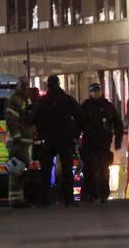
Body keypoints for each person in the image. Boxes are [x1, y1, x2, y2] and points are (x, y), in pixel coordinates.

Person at [32, 75, 85, 206]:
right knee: (67, 170)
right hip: (65, 139)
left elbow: (32, 118)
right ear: (59, 84)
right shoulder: (67, 100)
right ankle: (68, 199)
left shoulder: (43, 101)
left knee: (45, 170)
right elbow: (81, 117)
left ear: (48, 86)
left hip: (48, 139)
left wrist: (39, 132)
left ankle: (45, 200)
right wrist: (75, 134)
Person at [80, 82, 124, 203]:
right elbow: (78, 124)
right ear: (90, 93)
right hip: (89, 142)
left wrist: (118, 142)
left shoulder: (107, 106)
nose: (96, 93)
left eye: (98, 91)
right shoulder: (85, 107)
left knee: (104, 169)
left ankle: (103, 194)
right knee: (89, 169)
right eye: (94, 91)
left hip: (103, 143)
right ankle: (91, 194)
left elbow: (117, 124)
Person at [5, 76, 33, 208]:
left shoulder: (25, 100)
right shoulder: (15, 100)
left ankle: (19, 199)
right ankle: (15, 201)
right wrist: (16, 136)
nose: (26, 86)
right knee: (16, 171)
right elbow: (11, 119)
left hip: (24, 141)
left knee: (21, 170)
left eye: (27, 84)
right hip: (18, 141)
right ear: (18, 85)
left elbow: (26, 119)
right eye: (23, 84)